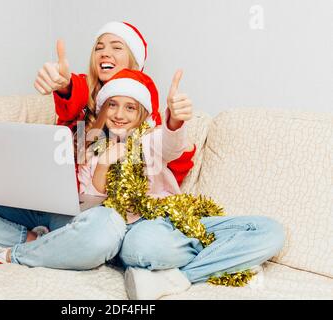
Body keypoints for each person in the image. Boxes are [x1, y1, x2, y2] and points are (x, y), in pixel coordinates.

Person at [77, 68, 286, 300]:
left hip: (174, 220)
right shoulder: (88, 151)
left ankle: (181, 276)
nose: (119, 114)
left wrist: (174, 120)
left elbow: (170, 144)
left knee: (270, 231)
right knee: (142, 247)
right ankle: (227, 258)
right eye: (112, 105)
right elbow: (88, 212)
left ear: (142, 114)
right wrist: (103, 165)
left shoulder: (149, 141)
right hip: (134, 232)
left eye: (130, 107)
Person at [34, 21, 196, 185]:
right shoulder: (83, 89)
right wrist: (64, 86)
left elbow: (162, 172)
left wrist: (175, 123)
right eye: (99, 47)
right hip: (58, 189)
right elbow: (75, 92)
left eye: (117, 47)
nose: (104, 53)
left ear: (134, 61)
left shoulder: (145, 109)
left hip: (97, 204)